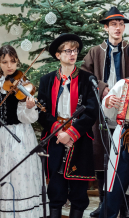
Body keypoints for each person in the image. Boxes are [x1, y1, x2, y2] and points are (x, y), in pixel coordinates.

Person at [0, 45, 48, 218]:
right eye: (5, 62)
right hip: (0, 135)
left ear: (17, 62)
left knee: (19, 173)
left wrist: (30, 108)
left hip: (21, 134)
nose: (9, 66)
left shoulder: (23, 85)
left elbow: (26, 118)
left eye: (13, 62)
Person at [38, 34, 98, 218]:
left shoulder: (88, 79)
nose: (73, 54)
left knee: (79, 191)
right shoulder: (46, 80)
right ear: (58, 55)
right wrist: (59, 131)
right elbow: (42, 112)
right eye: (68, 50)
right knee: (56, 188)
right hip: (55, 138)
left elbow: (91, 111)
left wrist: (71, 133)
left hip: (79, 139)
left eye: (75, 50)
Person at [81, 7, 129, 218]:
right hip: (102, 115)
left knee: (124, 160)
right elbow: (84, 75)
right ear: (106, 28)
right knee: (103, 160)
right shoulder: (95, 51)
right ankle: (105, 204)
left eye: (121, 24)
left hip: (126, 114)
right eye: (113, 24)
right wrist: (103, 87)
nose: (118, 28)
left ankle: (124, 206)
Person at [98, 78, 129, 218]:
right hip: (125, 135)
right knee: (115, 184)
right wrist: (108, 103)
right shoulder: (124, 84)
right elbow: (107, 111)